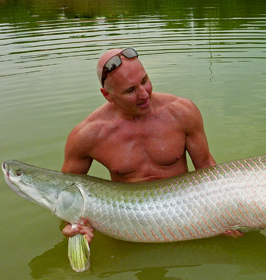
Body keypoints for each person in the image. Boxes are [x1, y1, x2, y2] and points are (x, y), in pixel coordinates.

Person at [61, 48, 217, 242]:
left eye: (144, 81)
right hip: (126, 226)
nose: (144, 95)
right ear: (107, 95)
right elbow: (65, 197)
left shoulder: (182, 111)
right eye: (130, 90)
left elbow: (207, 169)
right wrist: (70, 225)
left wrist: (224, 214)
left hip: (187, 215)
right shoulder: (87, 135)